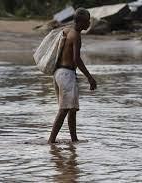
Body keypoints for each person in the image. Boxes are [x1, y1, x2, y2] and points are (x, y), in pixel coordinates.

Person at [48, 8, 97, 144]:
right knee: (64, 109)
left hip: (59, 73)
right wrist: (89, 77)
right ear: (80, 22)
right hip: (66, 74)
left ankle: (74, 140)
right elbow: (77, 59)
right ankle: (51, 141)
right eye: (87, 21)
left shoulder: (67, 30)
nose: (89, 23)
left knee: (72, 109)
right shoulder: (75, 35)